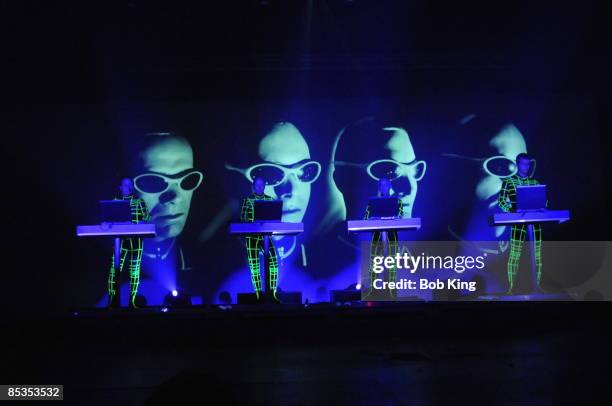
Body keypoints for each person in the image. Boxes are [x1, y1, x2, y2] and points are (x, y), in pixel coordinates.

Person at [498, 152, 543, 294]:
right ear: (517, 164)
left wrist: (543, 207)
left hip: (535, 222)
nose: (526, 166)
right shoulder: (509, 181)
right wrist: (511, 210)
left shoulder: (535, 183)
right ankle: (511, 288)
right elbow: (501, 200)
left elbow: (543, 200)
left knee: (537, 254)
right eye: (524, 163)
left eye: (528, 164)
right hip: (517, 222)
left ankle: (538, 286)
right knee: (515, 254)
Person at [107, 177, 150, 308]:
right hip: (120, 239)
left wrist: (139, 222)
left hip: (136, 239)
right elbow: (108, 218)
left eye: (129, 185)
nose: (127, 187)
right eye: (124, 185)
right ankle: (112, 301)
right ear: (120, 187)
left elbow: (147, 217)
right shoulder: (115, 202)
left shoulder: (138, 201)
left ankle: (132, 301)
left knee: (134, 270)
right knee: (114, 270)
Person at [240, 177, 280, 302]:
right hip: (252, 236)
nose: (259, 187)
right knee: (254, 265)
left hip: (266, 236)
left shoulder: (270, 200)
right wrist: (248, 224)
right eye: (257, 185)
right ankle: (258, 294)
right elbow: (242, 219)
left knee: (274, 262)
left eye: (261, 185)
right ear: (253, 186)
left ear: (264, 186)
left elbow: (275, 218)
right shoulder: (247, 200)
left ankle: (272, 293)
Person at [363, 177, 404, 298]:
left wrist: (394, 218)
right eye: (381, 185)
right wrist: (371, 219)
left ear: (390, 186)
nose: (383, 187)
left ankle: (392, 291)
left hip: (391, 235)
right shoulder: (372, 202)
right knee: (375, 262)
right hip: (377, 235)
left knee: (392, 262)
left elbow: (400, 216)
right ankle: (373, 291)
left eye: (385, 185)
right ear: (378, 187)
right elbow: (365, 217)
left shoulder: (397, 201)